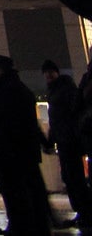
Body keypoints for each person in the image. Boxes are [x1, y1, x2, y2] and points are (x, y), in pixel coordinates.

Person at [0, 56, 45, 236]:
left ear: (0, 70)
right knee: (21, 191)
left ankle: (22, 226)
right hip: (14, 151)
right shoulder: (11, 88)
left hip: (11, 152)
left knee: (16, 192)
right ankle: (25, 224)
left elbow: (3, 123)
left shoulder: (6, 91)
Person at [44, 59, 91, 229]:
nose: (48, 75)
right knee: (71, 178)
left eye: (50, 71)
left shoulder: (65, 90)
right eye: (46, 72)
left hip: (70, 141)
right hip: (66, 141)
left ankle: (85, 212)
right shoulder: (57, 91)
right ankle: (83, 212)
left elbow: (70, 115)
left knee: (74, 177)